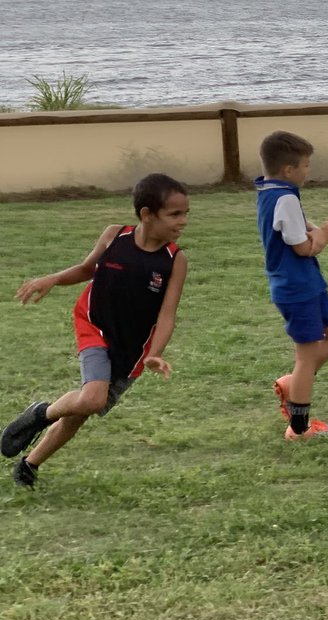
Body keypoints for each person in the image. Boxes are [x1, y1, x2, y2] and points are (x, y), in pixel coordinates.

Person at [1, 173, 190, 489]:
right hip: (94, 325)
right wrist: (53, 279)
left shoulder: (174, 260)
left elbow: (167, 315)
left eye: (185, 214)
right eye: (175, 214)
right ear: (146, 214)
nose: (183, 221)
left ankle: (29, 464)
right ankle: (41, 413)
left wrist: (155, 354)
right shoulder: (114, 237)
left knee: (82, 410)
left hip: (132, 349)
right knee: (91, 398)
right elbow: (87, 270)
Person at [255, 130, 328, 440]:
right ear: (289, 170)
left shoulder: (273, 190)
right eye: (306, 165)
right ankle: (299, 429)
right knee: (306, 359)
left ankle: (292, 383)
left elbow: (295, 226)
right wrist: (324, 236)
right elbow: (302, 247)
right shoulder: (283, 197)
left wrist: (312, 228)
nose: (309, 171)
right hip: (297, 289)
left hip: (308, 284)